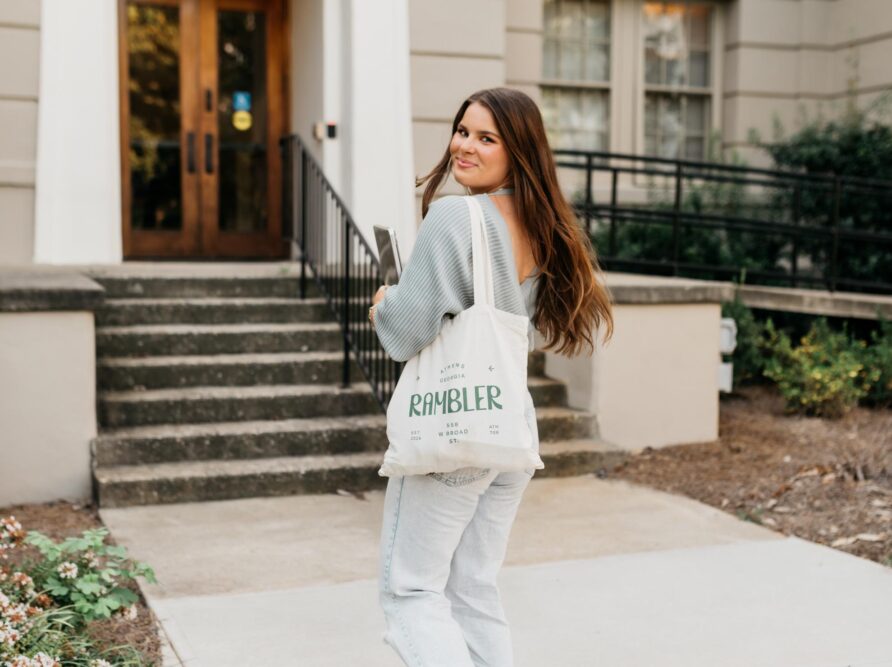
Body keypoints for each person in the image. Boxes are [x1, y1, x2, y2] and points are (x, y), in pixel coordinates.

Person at [369, 87, 614, 667]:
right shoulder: (540, 226)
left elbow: (406, 332)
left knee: (411, 592)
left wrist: (384, 302)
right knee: (473, 590)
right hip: (509, 430)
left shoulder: (457, 215)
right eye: (462, 130)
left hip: (456, 432)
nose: (465, 146)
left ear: (517, 151)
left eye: (486, 138)